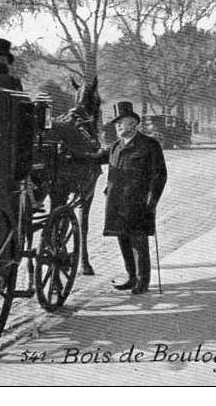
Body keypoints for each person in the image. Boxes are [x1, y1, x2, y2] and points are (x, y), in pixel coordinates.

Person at [72, 101, 166, 295]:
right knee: (123, 239)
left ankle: (143, 281)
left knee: (138, 242)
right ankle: (132, 277)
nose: (117, 127)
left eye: (121, 123)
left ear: (133, 123)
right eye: (116, 124)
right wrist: (71, 156)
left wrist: (153, 197)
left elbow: (160, 174)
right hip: (117, 202)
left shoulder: (149, 145)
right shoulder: (115, 146)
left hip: (139, 201)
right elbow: (94, 157)